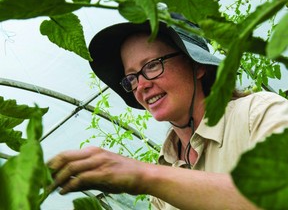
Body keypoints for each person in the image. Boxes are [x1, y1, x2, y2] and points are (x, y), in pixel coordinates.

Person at [47, 15, 288, 209]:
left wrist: (143, 175)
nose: (140, 85)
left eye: (151, 65)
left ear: (197, 65)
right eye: (131, 77)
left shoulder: (258, 115)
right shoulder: (166, 175)